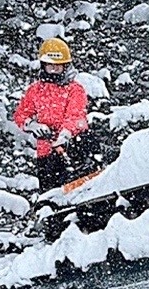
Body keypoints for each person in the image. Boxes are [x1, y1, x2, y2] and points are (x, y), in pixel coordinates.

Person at [12, 37, 93, 191]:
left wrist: (65, 134)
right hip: (46, 153)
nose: (54, 70)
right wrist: (32, 125)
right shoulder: (35, 90)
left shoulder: (74, 89)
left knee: (77, 188)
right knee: (50, 194)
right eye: (51, 66)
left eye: (58, 66)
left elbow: (76, 116)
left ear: (66, 66)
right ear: (44, 66)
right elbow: (20, 115)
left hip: (74, 146)